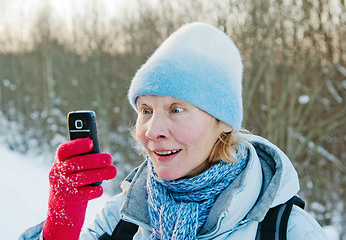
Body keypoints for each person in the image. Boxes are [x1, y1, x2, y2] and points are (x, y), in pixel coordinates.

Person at [20, 22, 327, 239]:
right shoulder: (126, 218)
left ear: (223, 122)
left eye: (176, 109)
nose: (152, 131)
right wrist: (61, 227)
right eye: (146, 110)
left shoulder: (288, 231)